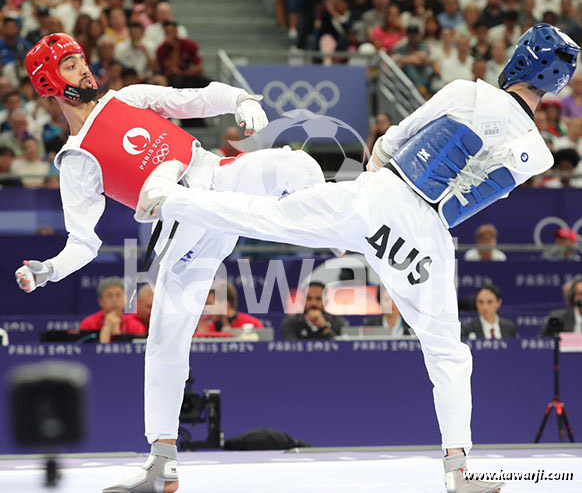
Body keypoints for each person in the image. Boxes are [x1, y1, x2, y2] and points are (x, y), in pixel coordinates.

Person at [139, 24, 580, 493]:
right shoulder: (540, 155)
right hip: (426, 238)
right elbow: (474, 195)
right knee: (448, 350)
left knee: (266, 216)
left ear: (520, 59)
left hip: (383, 196)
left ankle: (171, 200)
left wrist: (363, 210)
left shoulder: (467, 92)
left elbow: (391, 142)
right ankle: (458, 471)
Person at [14, 32, 326, 493]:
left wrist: (240, 100)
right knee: (164, 341)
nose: (84, 68)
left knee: (295, 165)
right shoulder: (76, 160)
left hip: (219, 180)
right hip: (186, 230)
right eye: (70, 65)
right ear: (48, 83)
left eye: (81, 59)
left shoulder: (128, 99)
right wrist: (49, 269)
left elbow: (194, 98)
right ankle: (162, 464)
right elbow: (83, 243)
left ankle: (342, 232)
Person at [80, 276, 144, 343]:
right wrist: (107, 328)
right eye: (109, 296)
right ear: (100, 301)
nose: (115, 300)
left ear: (126, 298)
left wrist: (118, 336)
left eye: (118, 295)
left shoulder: (135, 325)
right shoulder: (88, 324)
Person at [281, 281, 345, 340]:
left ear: (326, 301)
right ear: (303, 301)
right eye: (308, 298)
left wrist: (324, 328)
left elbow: (343, 346)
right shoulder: (291, 322)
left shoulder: (338, 322)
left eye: (318, 299)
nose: (313, 303)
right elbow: (290, 346)